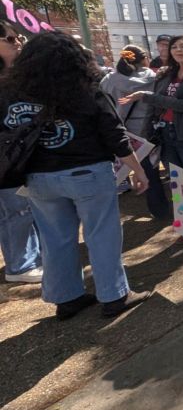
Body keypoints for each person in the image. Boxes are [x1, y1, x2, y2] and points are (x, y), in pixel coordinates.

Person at [1, 31, 151, 319]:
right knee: (102, 235)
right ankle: (115, 295)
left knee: (55, 239)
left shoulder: (9, 92)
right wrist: (137, 169)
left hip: (39, 178)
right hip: (87, 172)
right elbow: (114, 133)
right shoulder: (86, 88)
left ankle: (66, 297)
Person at [120, 36, 183, 170]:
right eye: (174, 47)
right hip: (163, 132)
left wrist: (146, 96)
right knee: (175, 176)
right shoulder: (165, 73)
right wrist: (146, 133)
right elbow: (153, 107)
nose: (179, 50)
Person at [101, 45, 171, 220]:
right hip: (146, 131)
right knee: (151, 171)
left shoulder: (109, 79)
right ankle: (160, 211)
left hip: (120, 131)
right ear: (145, 58)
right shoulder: (154, 78)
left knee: (121, 170)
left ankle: (112, 211)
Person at [0, 20, 43, 284]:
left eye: (18, 38)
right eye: (10, 38)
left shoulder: (25, 76)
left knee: (25, 209)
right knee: (17, 212)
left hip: (28, 157)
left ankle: (29, 258)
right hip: (8, 161)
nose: (17, 42)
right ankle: (21, 265)